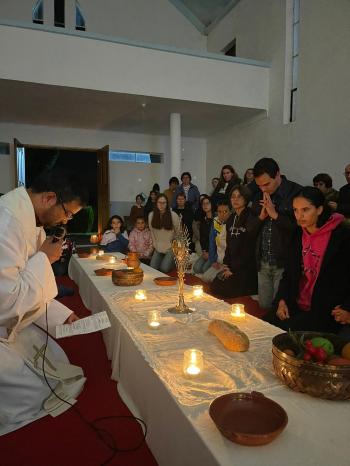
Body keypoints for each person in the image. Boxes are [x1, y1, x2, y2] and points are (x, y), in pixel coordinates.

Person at [0, 169, 87, 433]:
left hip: (9, 318)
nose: (66, 220)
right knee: (35, 394)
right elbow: (6, 301)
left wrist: (62, 315)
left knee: (57, 364)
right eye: (68, 212)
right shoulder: (7, 221)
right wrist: (45, 259)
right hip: (4, 313)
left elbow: (29, 282)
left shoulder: (32, 220)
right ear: (50, 198)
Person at [263, 187, 350, 338]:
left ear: (320, 209)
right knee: (262, 326)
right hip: (296, 303)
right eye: (296, 210)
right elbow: (289, 273)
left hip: (324, 309)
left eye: (305, 210)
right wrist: (281, 300)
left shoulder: (341, 236)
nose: (299, 216)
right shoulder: (297, 234)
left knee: (283, 336)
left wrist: (348, 308)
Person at [251, 157, 301, 310]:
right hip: (263, 259)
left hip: (284, 262)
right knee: (264, 305)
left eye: (267, 184)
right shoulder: (259, 194)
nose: (263, 189)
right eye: (259, 185)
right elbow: (251, 229)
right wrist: (261, 217)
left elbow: (299, 229)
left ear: (278, 175)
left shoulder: (295, 193)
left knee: (280, 309)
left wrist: (275, 214)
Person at [211, 185, 259, 298]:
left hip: (246, 267)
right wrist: (227, 266)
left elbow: (248, 248)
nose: (235, 200)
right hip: (233, 265)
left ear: (246, 198)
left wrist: (234, 270)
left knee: (227, 291)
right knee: (215, 286)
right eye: (233, 197)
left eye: (239, 196)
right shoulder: (231, 218)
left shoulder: (251, 216)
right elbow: (229, 245)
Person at [201, 199, 231, 283]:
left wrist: (226, 264)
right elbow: (212, 242)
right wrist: (213, 261)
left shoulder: (233, 223)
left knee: (217, 282)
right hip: (218, 259)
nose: (222, 214)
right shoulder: (215, 221)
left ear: (230, 212)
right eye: (219, 211)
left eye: (225, 211)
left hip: (228, 262)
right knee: (205, 278)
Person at [149, 194, 180, 273]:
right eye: (159, 202)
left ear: (167, 204)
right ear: (156, 203)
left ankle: (174, 261)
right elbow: (152, 232)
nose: (162, 205)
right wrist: (155, 245)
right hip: (158, 247)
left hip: (170, 248)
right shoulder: (151, 215)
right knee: (152, 268)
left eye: (164, 203)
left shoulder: (173, 215)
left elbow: (179, 233)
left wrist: (175, 248)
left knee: (163, 269)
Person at [193, 195, 213, 275]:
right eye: (203, 204)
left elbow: (216, 238)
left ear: (211, 204)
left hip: (215, 251)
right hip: (206, 250)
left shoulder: (216, 218)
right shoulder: (203, 220)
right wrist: (204, 251)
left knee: (204, 269)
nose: (205, 206)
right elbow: (202, 238)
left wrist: (210, 253)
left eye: (207, 203)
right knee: (196, 268)